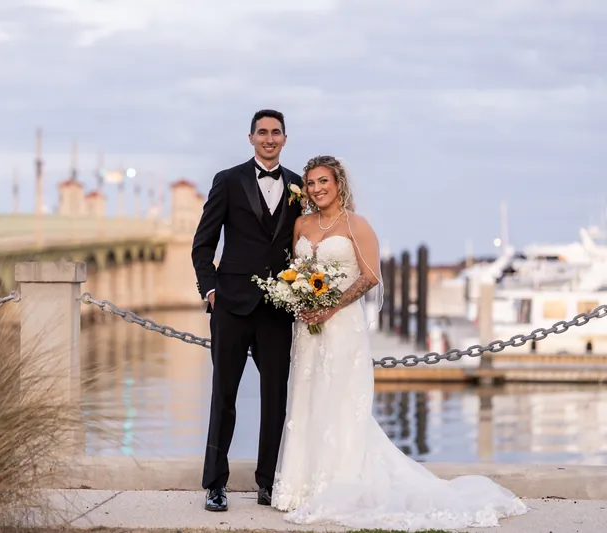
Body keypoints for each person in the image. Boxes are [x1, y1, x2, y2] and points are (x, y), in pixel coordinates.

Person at [270, 155, 529, 529]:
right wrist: (298, 299)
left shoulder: (356, 225)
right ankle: (298, 487)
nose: (316, 189)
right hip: (308, 328)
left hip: (341, 325)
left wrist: (330, 307)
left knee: (340, 401)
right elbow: (294, 270)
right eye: (310, 183)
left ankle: (340, 483)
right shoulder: (301, 224)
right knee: (306, 399)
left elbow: (370, 275)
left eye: (323, 181)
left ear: (338, 183)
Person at [191, 109, 303, 512]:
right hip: (232, 307)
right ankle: (214, 484)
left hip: (277, 309)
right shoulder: (227, 180)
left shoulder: (298, 186)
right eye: (262, 133)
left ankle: (268, 482)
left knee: (275, 398)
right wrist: (210, 289)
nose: (269, 139)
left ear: (285, 139)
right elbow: (203, 244)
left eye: (276, 133)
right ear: (251, 137)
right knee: (224, 395)